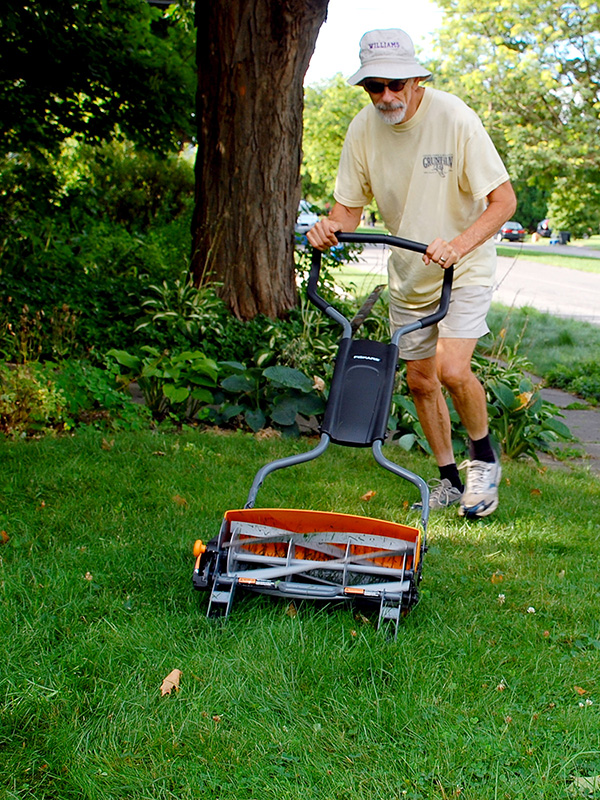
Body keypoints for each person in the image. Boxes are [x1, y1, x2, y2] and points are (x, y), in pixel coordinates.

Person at [307, 28, 517, 518]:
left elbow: (504, 202)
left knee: (451, 369)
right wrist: (327, 228)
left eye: (396, 85)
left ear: (417, 79)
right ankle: (447, 480)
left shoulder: (455, 118)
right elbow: (347, 212)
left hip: (463, 263)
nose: (386, 96)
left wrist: (459, 244)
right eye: (374, 87)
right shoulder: (362, 129)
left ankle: (483, 462)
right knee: (421, 381)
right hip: (410, 268)